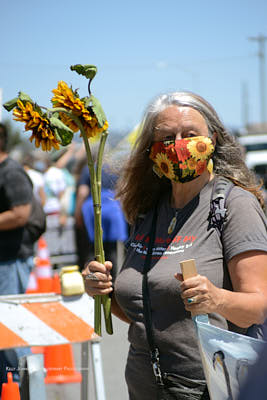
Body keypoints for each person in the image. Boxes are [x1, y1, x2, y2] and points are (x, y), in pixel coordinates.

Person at [82, 92, 267, 400]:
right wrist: (104, 291)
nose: (178, 145)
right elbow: (145, 311)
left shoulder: (234, 205)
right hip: (143, 386)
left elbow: (259, 308)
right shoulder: (148, 210)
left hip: (208, 387)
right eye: (167, 137)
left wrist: (217, 299)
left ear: (214, 139)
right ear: (152, 151)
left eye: (190, 135)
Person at [0, 123, 35, 392]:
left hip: (11, 261)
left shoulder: (11, 171)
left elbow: (21, 213)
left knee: (10, 331)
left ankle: (31, 391)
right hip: (5, 261)